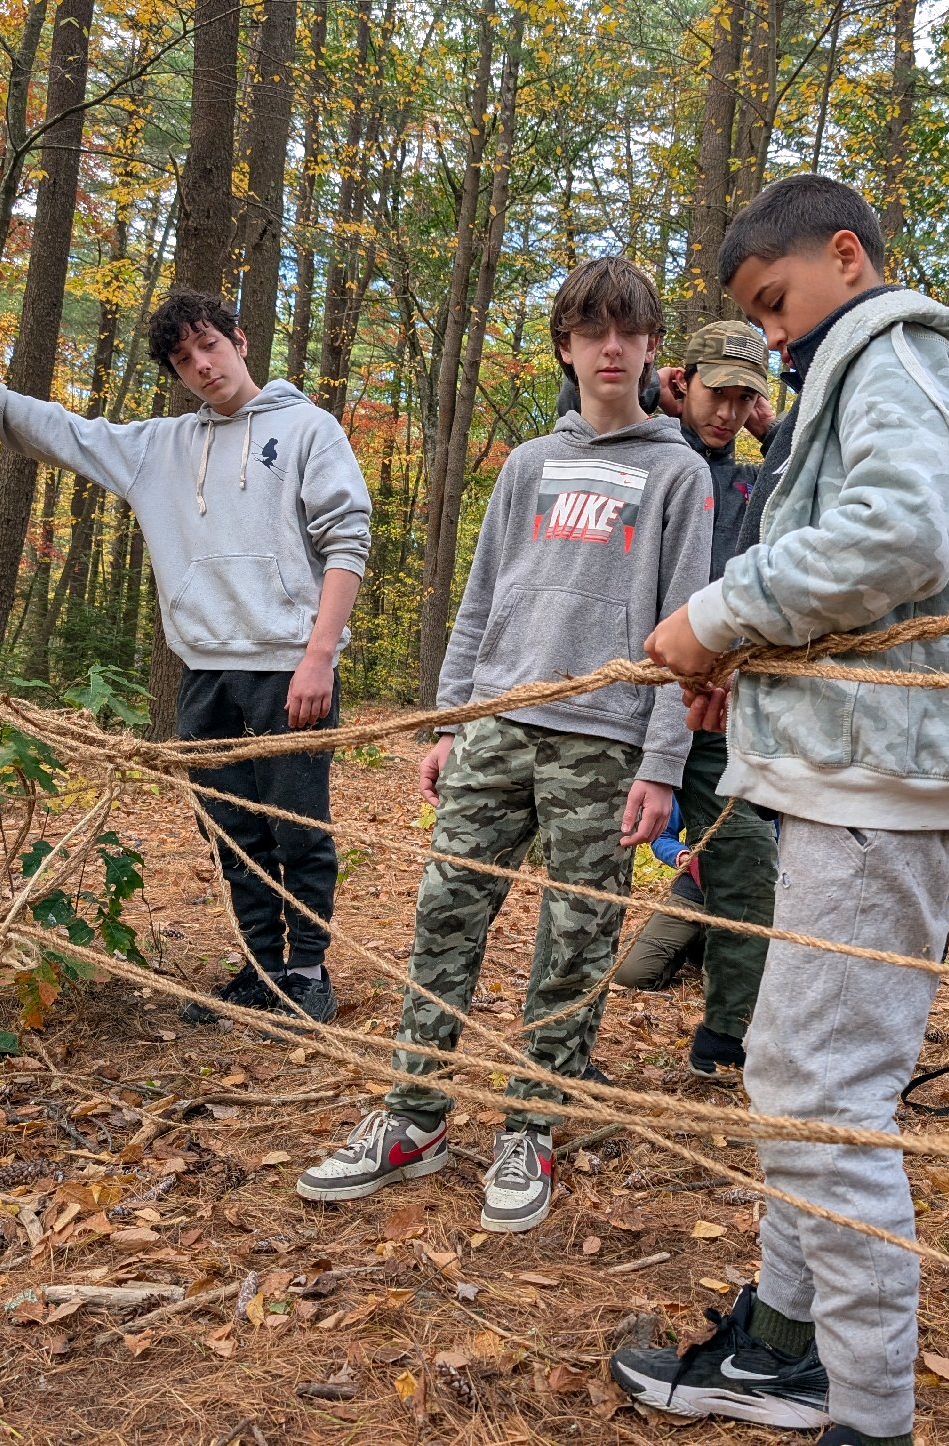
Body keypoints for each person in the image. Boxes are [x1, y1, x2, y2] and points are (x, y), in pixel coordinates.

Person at [621, 175, 949, 1446]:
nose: (772, 336)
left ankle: (866, 1412)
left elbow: (900, 537)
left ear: (846, 257)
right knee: (792, 1073)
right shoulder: (857, 371)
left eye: (776, 302)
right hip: (859, 768)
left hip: (889, 783)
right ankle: (785, 1345)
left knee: (824, 1095)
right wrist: (751, 669)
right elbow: (872, 573)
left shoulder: (894, 351)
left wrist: (717, 615)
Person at [296, 257, 712, 1233]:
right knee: (445, 917)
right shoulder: (528, 465)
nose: (611, 348)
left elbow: (686, 628)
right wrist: (452, 723)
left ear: (652, 348)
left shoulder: (679, 473)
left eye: (630, 331)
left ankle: (532, 1127)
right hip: (495, 727)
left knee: (574, 941)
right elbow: (482, 599)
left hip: (603, 745)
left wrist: (662, 766)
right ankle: (414, 1115)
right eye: (592, 331)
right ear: (566, 347)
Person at [0, 290, 370, 1027]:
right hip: (203, 672)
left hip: (290, 670)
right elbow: (60, 432)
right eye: (183, 358)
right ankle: (262, 969)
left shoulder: (308, 428)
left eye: (210, 345)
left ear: (239, 339)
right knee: (231, 831)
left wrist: (318, 657)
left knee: (298, 827)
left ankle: (307, 975)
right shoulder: (157, 449)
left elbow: (347, 541)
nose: (202, 365)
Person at [624, 320, 782, 1079]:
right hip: (627, 702)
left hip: (710, 708)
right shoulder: (647, 449)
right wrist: (649, 386)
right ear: (681, 383)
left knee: (746, 859)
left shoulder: (755, 482)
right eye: (717, 393)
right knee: (592, 864)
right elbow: (585, 400)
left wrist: (771, 428)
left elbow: (815, 474)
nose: (728, 412)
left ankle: (726, 1035)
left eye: (744, 399)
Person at [614, 800, 709, 993]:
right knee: (629, 973)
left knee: (723, 992)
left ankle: (704, 949)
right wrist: (685, 858)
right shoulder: (694, 782)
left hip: (749, 902)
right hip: (692, 895)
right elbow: (662, 836)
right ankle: (687, 944)